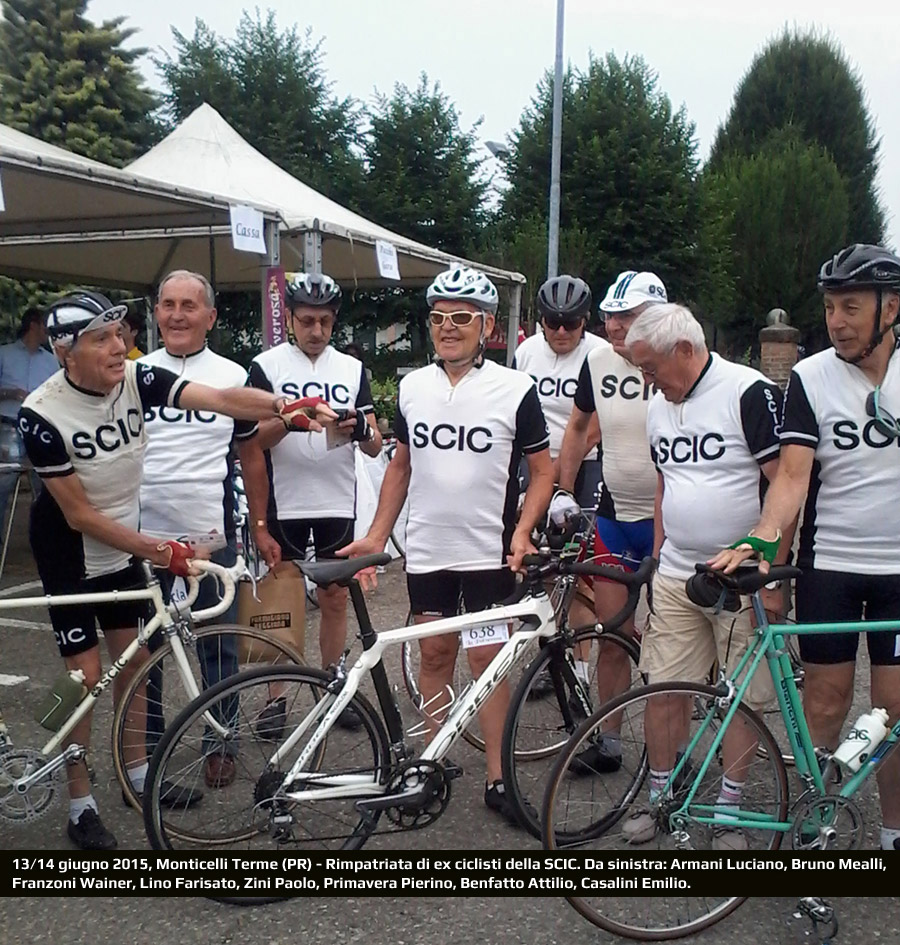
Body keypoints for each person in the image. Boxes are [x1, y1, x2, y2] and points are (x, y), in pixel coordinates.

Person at [19, 289, 334, 850]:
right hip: (71, 552)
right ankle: (78, 801)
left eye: (119, 335)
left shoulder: (136, 378)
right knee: (83, 678)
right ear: (65, 351)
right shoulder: (41, 414)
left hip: (124, 543)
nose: (118, 347)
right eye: (100, 339)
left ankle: (139, 776)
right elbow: (78, 514)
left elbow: (220, 398)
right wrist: (160, 550)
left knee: (138, 662)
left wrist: (284, 406)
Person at [339, 265, 554, 825]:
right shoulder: (414, 386)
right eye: (438, 318)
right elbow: (401, 466)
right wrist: (376, 536)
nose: (448, 327)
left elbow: (543, 470)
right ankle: (432, 759)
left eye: (461, 317)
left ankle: (499, 778)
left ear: (487, 327)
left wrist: (524, 530)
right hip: (429, 551)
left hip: (487, 553)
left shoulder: (515, 389)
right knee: (434, 653)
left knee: (487, 660)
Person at [709, 244, 900, 851]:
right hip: (830, 566)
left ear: (890, 308)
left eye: (851, 307)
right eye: (829, 307)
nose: (836, 321)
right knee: (826, 700)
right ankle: (818, 822)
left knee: (893, 711)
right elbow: (792, 477)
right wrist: (764, 539)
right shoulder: (810, 377)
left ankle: (893, 831)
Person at [623, 302, 785, 850]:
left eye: (650, 368)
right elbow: (665, 484)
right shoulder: (658, 403)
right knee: (663, 689)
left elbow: (785, 484)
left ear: (685, 350)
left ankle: (729, 812)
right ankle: (662, 799)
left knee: (741, 699)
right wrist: (656, 560)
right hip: (677, 573)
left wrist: (773, 576)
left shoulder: (748, 391)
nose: (646, 381)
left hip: (741, 576)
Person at [139, 269, 277, 788]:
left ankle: (222, 740)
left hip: (209, 532)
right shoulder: (133, 375)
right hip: (142, 535)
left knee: (218, 644)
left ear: (211, 317)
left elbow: (252, 457)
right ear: (156, 313)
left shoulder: (233, 375)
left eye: (189, 306)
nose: (177, 315)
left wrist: (260, 526)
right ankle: (147, 747)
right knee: (147, 648)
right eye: (168, 304)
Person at [246, 272, 382, 726]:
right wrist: (293, 417)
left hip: (335, 499)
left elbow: (375, 445)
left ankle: (332, 688)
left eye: (325, 321)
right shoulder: (266, 366)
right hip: (283, 499)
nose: (317, 331)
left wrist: (360, 429)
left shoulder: (351, 368)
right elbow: (251, 440)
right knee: (282, 600)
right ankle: (275, 699)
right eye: (307, 321)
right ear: (289, 318)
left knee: (335, 599)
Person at [555, 271, 668, 771]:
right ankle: (610, 741)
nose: (615, 325)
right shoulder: (597, 360)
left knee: (673, 646)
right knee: (612, 634)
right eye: (609, 316)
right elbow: (578, 426)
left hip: (669, 524)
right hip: (615, 518)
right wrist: (563, 490)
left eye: (627, 316)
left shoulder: (675, 363)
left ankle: (675, 751)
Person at [513, 275, 605, 695]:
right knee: (544, 567)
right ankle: (550, 658)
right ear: (541, 321)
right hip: (535, 465)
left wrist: (557, 468)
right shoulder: (526, 352)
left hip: (583, 465)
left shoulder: (599, 355)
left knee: (578, 571)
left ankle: (581, 669)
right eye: (553, 322)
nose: (562, 331)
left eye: (573, 323)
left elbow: (597, 423)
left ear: (586, 321)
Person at [0, 308, 58, 526]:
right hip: (9, 426)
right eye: (45, 326)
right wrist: (11, 393)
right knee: (3, 486)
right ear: (34, 325)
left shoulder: (51, 361)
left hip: (40, 428)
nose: (48, 331)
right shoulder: (4, 354)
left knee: (46, 487)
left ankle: (43, 537)